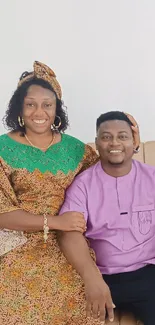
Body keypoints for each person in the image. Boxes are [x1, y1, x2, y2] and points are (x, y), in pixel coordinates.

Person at [0, 61, 139, 325]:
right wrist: (54, 222)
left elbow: (109, 178)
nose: (39, 112)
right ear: (19, 107)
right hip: (16, 245)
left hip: (69, 242)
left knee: (82, 297)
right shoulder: (2, 148)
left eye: (47, 105)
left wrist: (131, 146)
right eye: (30, 104)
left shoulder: (77, 150)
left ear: (57, 109)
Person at [59, 111, 154, 325]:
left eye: (122, 136)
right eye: (106, 137)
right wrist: (91, 278)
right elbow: (69, 234)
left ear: (133, 142)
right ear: (96, 143)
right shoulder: (82, 185)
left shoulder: (152, 178)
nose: (114, 143)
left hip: (149, 273)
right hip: (102, 277)